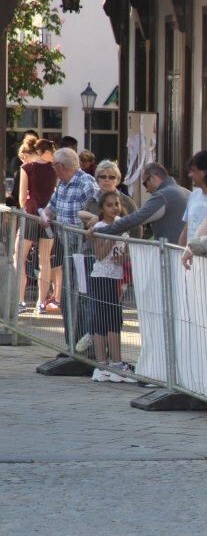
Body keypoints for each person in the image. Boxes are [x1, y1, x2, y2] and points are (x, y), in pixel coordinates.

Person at [43, 148, 100, 331]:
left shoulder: (86, 183)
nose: (53, 169)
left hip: (84, 248)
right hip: (67, 245)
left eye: (53, 165)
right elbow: (51, 207)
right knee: (69, 292)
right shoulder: (62, 184)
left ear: (60, 166)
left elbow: (97, 215)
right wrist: (46, 216)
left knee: (82, 292)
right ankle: (72, 338)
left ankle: (84, 337)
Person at [83, 190, 136, 384]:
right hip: (102, 277)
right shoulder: (100, 227)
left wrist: (123, 258)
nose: (114, 208)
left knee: (114, 321)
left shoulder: (122, 224)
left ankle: (114, 364)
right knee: (104, 321)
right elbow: (99, 254)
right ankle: (104, 365)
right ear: (102, 208)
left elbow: (125, 252)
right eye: (109, 205)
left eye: (117, 204)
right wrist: (113, 236)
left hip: (117, 277)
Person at [91, 163, 188, 242]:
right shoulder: (188, 193)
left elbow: (136, 219)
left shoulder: (162, 195)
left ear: (153, 178)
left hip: (172, 254)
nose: (147, 190)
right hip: (189, 254)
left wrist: (100, 231)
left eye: (145, 184)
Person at [16, 139, 57, 312]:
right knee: (45, 260)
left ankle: (20, 301)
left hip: (31, 215)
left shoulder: (27, 167)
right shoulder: (55, 168)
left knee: (19, 258)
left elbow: (22, 197)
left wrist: (25, 206)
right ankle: (41, 303)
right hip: (48, 217)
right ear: (46, 152)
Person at [179, 149, 207, 244]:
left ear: (205, 171)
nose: (190, 175)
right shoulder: (193, 195)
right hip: (190, 251)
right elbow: (188, 226)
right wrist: (180, 249)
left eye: (193, 171)